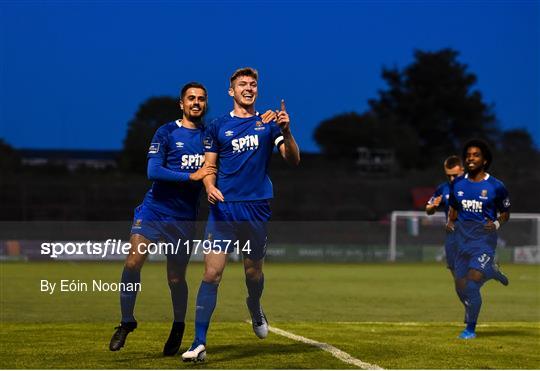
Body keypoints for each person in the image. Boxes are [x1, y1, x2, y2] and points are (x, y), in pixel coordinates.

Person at [181, 67, 300, 362]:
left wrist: (287, 130)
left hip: (256, 209)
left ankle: (255, 306)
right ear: (231, 91)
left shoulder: (269, 124)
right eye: (242, 84)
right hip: (223, 210)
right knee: (211, 273)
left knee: (253, 272)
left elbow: (293, 159)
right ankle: (198, 343)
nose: (248, 87)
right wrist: (209, 186)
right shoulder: (217, 127)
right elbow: (209, 166)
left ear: (256, 90)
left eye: (253, 84)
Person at [108, 82, 215, 356]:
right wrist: (190, 176)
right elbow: (153, 170)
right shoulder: (166, 132)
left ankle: (178, 325)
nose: (196, 103)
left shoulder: (210, 137)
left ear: (205, 104)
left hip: (184, 219)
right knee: (132, 261)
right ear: (182, 103)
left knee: (176, 279)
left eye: (201, 99)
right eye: (191, 98)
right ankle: (126, 321)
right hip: (154, 210)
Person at [447, 139, 510, 339]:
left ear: (484, 160)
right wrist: (450, 222)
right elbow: (455, 209)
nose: (470, 158)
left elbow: (506, 212)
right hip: (461, 243)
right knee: (460, 286)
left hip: (483, 243)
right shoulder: (457, 183)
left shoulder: (496, 186)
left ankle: (470, 329)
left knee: (472, 284)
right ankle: (490, 271)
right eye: (468, 155)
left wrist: (497, 224)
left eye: (476, 155)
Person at [425, 155, 464, 275]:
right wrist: (432, 207)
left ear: (462, 171)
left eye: (455, 175)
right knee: (457, 277)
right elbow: (428, 209)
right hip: (452, 237)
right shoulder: (442, 189)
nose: (452, 179)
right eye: (449, 176)